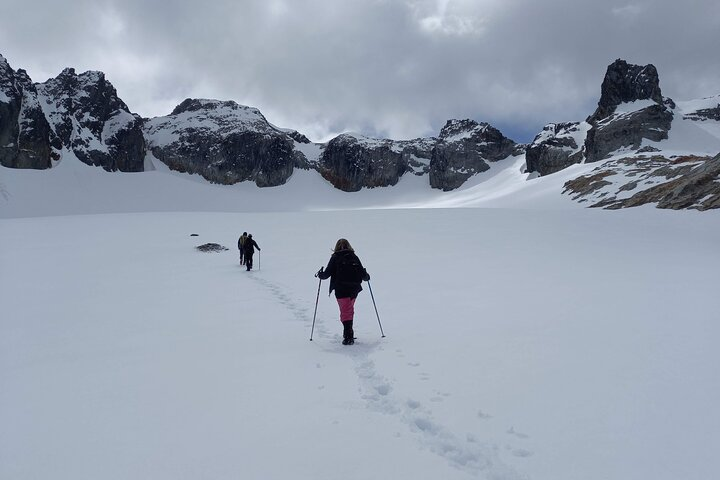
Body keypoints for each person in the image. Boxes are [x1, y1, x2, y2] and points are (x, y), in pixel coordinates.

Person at [317, 238, 370, 345]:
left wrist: (320, 274)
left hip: (341, 288)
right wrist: (367, 276)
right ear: (349, 246)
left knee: (345, 311)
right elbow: (362, 274)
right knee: (349, 309)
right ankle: (349, 332)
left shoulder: (335, 257)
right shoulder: (354, 257)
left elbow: (326, 274)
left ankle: (348, 336)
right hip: (354, 288)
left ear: (336, 247)